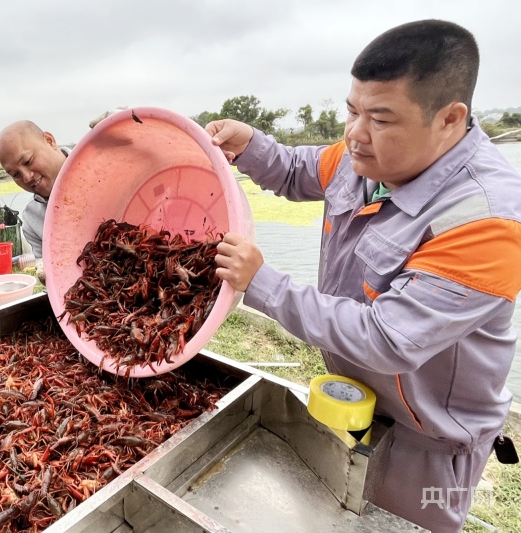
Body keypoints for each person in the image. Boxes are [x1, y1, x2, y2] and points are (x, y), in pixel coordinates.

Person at [208, 20, 521, 533]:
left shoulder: (487, 220)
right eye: (352, 110)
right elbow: (293, 169)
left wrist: (262, 283)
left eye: (380, 118)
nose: (355, 133)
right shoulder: (364, 159)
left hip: (429, 445)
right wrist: (248, 144)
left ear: (449, 118)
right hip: (351, 400)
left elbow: (388, 338)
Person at [0, 121, 69, 264]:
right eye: (16, 174)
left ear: (49, 141)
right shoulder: (32, 221)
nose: (27, 177)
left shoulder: (102, 160)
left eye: (28, 161)